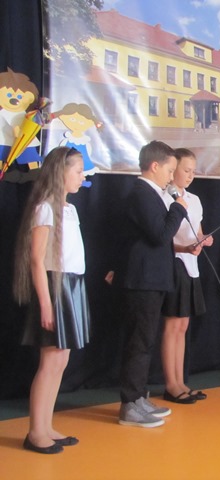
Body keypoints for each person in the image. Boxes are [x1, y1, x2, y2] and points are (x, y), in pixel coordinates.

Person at [13, 146, 90, 454]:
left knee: (61, 360)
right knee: (49, 362)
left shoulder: (70, 209)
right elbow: (36, 259)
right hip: (54, 286)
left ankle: (46, 425)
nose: (82, 176)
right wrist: (45, 303)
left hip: (72, 285)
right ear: (61, 172)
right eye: (78, 171)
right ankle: (35, 431)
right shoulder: (45, 207)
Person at [113, 141, 188, 427]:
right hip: (142, 279)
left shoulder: (151, 194)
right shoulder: (141, 194)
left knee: (144, 341)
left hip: (152, 278)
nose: (172, 177)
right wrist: (178, 209)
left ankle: (138, 397)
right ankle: (129, 404)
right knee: (139, 342)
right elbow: (160, 235)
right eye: (170, 170)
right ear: (154, 166)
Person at [161, 148, 213, 404]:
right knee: (172, 326)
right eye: (185, 170)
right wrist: (184, 248)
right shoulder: (164, 197)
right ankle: (170, 384)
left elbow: (197, 232)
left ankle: (180, 381)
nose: (190, 175)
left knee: (183, 326)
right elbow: (162, 238)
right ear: (173, 171)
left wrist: (204, 240)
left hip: (192, 265)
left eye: (193, 171)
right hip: (175, 264)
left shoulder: (195, 199)